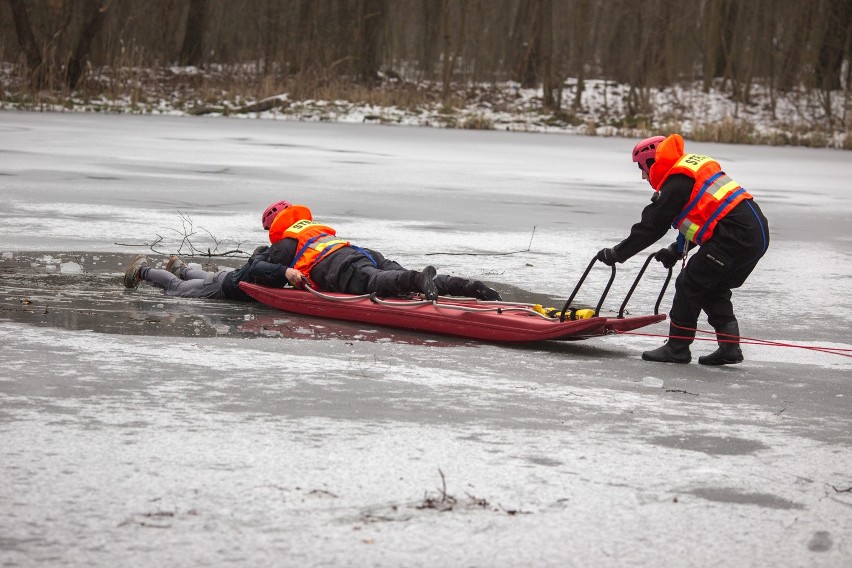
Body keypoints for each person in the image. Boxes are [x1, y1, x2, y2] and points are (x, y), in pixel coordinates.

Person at [595, 134, 769, 365]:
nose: (643, 175)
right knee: (712, 285)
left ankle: (677, 347)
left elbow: (652, 226)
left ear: (650, 162)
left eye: (642, 168)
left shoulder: (677, 180)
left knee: (689, 282)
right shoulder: (686, 171)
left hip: (736, 236)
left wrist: (618, 253)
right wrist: (675, 251)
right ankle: (729, 349)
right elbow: (701, 219)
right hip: (753, 234)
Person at [258, 200, 502, 301]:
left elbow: (261, 272)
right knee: (396, 275)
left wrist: (261, 254)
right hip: (362, 253)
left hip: (339, 266)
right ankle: (460, 285)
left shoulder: (284, 245)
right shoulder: (314, 229)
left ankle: (417, 279)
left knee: (377, 281)